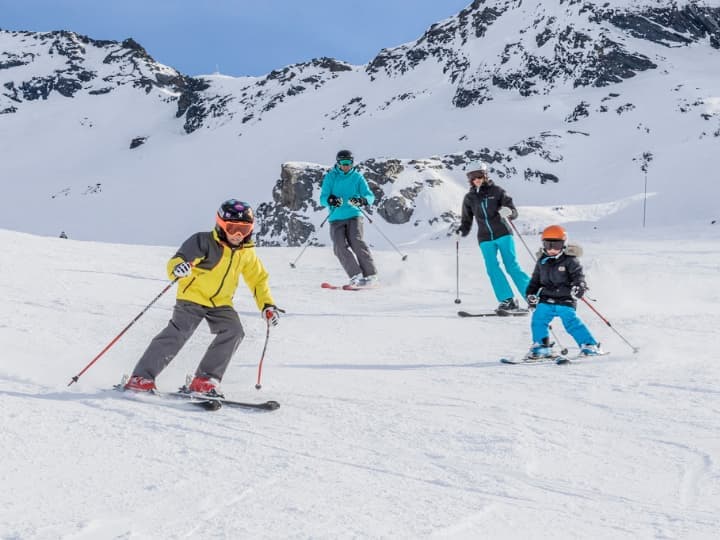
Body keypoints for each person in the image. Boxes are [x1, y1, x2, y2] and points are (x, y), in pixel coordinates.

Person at [124, 199, 281, 395]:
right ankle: (141, 377)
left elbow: (258, 279)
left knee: (234, 331)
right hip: (192, 297)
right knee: (179, 332)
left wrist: (267, 305)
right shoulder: (203, 241)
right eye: (232, 228)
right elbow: (178, 260)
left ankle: (205, 379)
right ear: (221, 225)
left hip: (221, 303)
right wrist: (178, 269)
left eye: (244, 229)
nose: (238, 235)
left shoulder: (246, 252)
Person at [457, 161, 530, 311]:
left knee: (511, 266)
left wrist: (509, 212)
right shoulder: (469, 198)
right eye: (472, 176)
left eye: (479, 175)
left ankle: (532, 296)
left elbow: (513, 211)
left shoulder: (497, 191)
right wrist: (461, 231)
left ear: (485, 175)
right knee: (492, 268)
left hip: (503, 233)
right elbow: (466, 220)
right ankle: (507, 300)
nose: (476, 179)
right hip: (484, 238)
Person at [525, 225, 602, 358]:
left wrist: (580, 286)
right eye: (548, 245)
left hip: (565, 299)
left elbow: (579, 276)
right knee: (538, 319)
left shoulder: (570, 260)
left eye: (557, 245)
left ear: (564, 245)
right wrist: (530, 294)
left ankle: (589, 345)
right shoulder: (541, 261)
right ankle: (542, 346)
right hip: (546, 299)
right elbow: (535, 281)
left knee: (570, 322)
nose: (552, 249)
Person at [319, 149, 378, 287]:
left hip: (354, 215)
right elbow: (322, 198)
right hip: (336, 217)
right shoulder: (331, 177)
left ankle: (371, 275)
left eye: (349, 163)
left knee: (356, 242)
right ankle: (355, 275)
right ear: (338, 163)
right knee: (339, 246)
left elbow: (370, 196)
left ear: (352, 163)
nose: (346, 166)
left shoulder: (357, 177)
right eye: (343, 163)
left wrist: (361, 201)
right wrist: (331, 200)